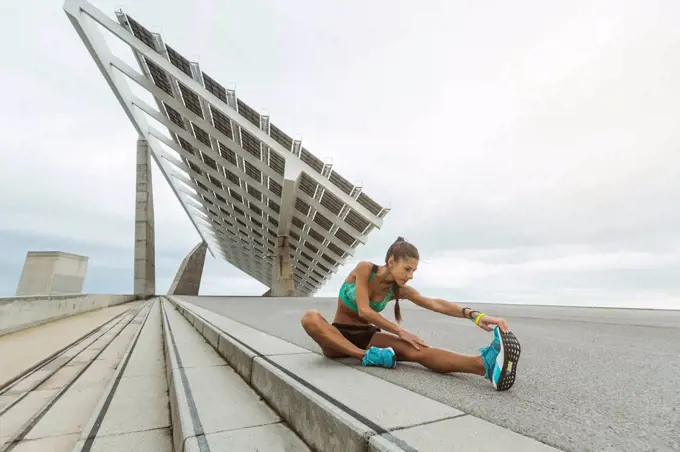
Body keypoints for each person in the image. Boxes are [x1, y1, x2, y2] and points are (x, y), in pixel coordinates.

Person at [301, 237, 521, 391]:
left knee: (419, 351)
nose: (411, 275)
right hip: (338, 337)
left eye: (414, 270)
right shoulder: (365, 269)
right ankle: (366, 358)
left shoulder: (397, 289)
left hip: (367, 336)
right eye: (407, 269)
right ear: (390, 262)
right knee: (310, 317)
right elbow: (364, 310)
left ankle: (486, 365)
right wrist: (400, 331)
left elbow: (435, 303)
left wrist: (476, 316)